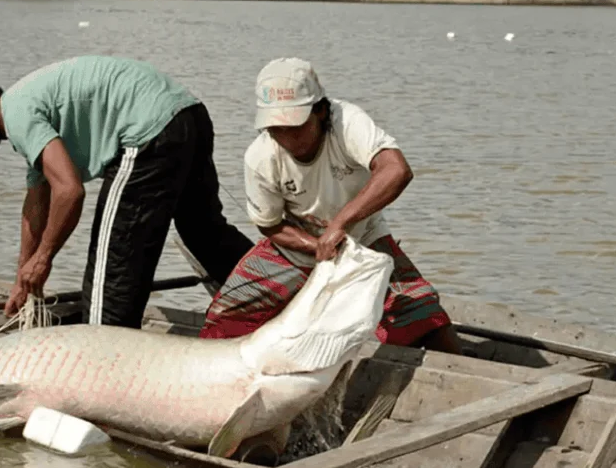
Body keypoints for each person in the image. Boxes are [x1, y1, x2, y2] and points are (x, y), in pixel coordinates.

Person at [0, 55, 254, 328]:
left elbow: (69, 191)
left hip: (148, 132)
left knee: (111, 277)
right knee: (204, 234)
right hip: (188, 115)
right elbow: (36, 201)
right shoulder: (27, 108)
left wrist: (43, 259)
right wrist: (22, 277)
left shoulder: (18, 113)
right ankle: (280, 292)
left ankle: (105, 373)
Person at [197, 57, 471, 356]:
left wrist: (339, 225)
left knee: (423, 317)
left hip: (363, 239)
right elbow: (270, 224)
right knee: (225, 318)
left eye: (296, 126)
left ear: (321, 111)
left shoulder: (346, 122)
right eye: (277, 128)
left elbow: (396, 170)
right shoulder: (260, 156)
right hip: (295, 245)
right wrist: (316, 245)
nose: (287, 138)